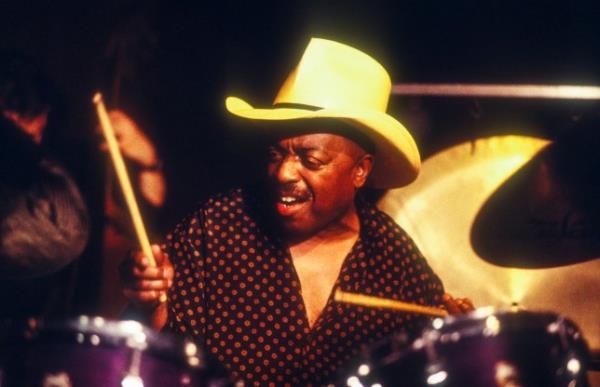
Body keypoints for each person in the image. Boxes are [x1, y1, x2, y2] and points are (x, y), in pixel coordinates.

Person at [120, 38, 473, 386]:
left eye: (311, 160)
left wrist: (462, 349)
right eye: (277, 154)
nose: (284, 173)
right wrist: (149, 302)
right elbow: (153, 358)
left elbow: (426, 370)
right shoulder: (216, 228)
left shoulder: (395, 262)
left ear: (360, 171)